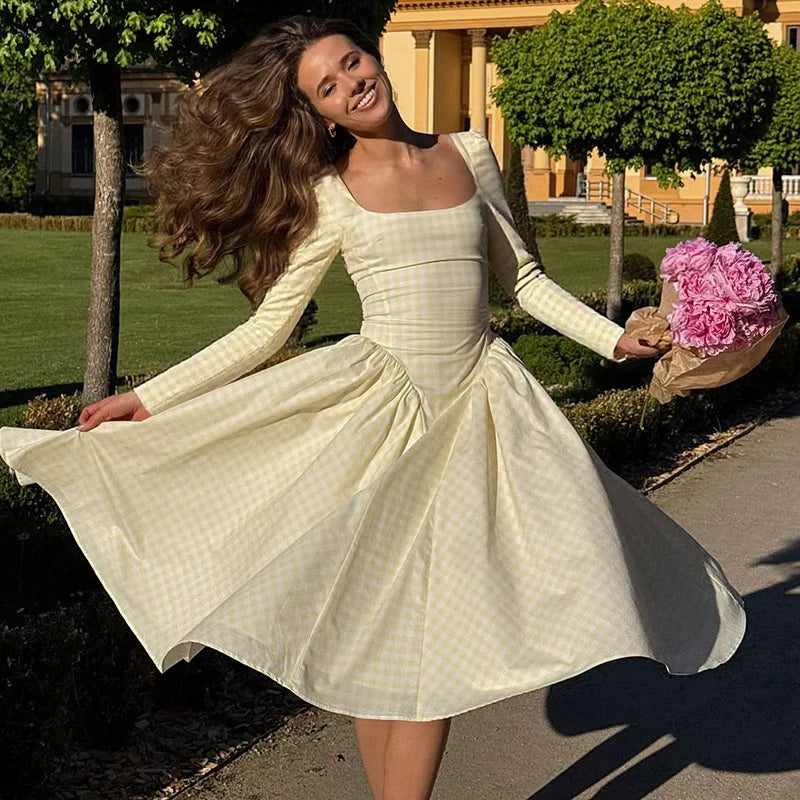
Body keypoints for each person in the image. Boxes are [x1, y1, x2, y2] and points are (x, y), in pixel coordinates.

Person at [0, 15, 746, 800]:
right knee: (380, 642)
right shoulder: (328, 194)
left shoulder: (471, 152)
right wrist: (146, 399)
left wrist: (614, 340)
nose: (353, 83)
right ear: (320, 113)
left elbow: (522, 279)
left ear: (372, 56)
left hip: (480, 420)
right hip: (381, 419)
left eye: (352, 62)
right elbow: (266, 330)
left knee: (435, 646)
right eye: (329, 85)